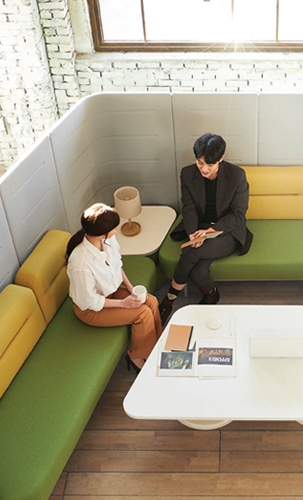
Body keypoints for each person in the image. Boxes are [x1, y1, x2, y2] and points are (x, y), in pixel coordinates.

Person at [159, 133, 253, 325]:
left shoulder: (237, 175)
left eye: (209, 164)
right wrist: (192, 233)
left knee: (191, 252)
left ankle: (168, 300)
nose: (203, 168)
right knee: (197, 273)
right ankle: (211, 295)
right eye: (200, 163)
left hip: (227, 231)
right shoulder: (188, 174)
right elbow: (189, 208)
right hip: (199, 227)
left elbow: (238, 215)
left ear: (221, 158)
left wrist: (209, 233)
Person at [66, 203, 162, 373]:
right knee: (142, 313)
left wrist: (131, 288)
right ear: (102, 231)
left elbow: (117, 265)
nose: (117, 229)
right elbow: (90, 301)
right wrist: (124, 303)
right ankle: (136, 356)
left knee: (151, 301)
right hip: (91, 309)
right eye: (114, 227)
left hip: (110, 293)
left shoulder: (107, 240)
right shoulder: (80, 263)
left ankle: (157, 348)